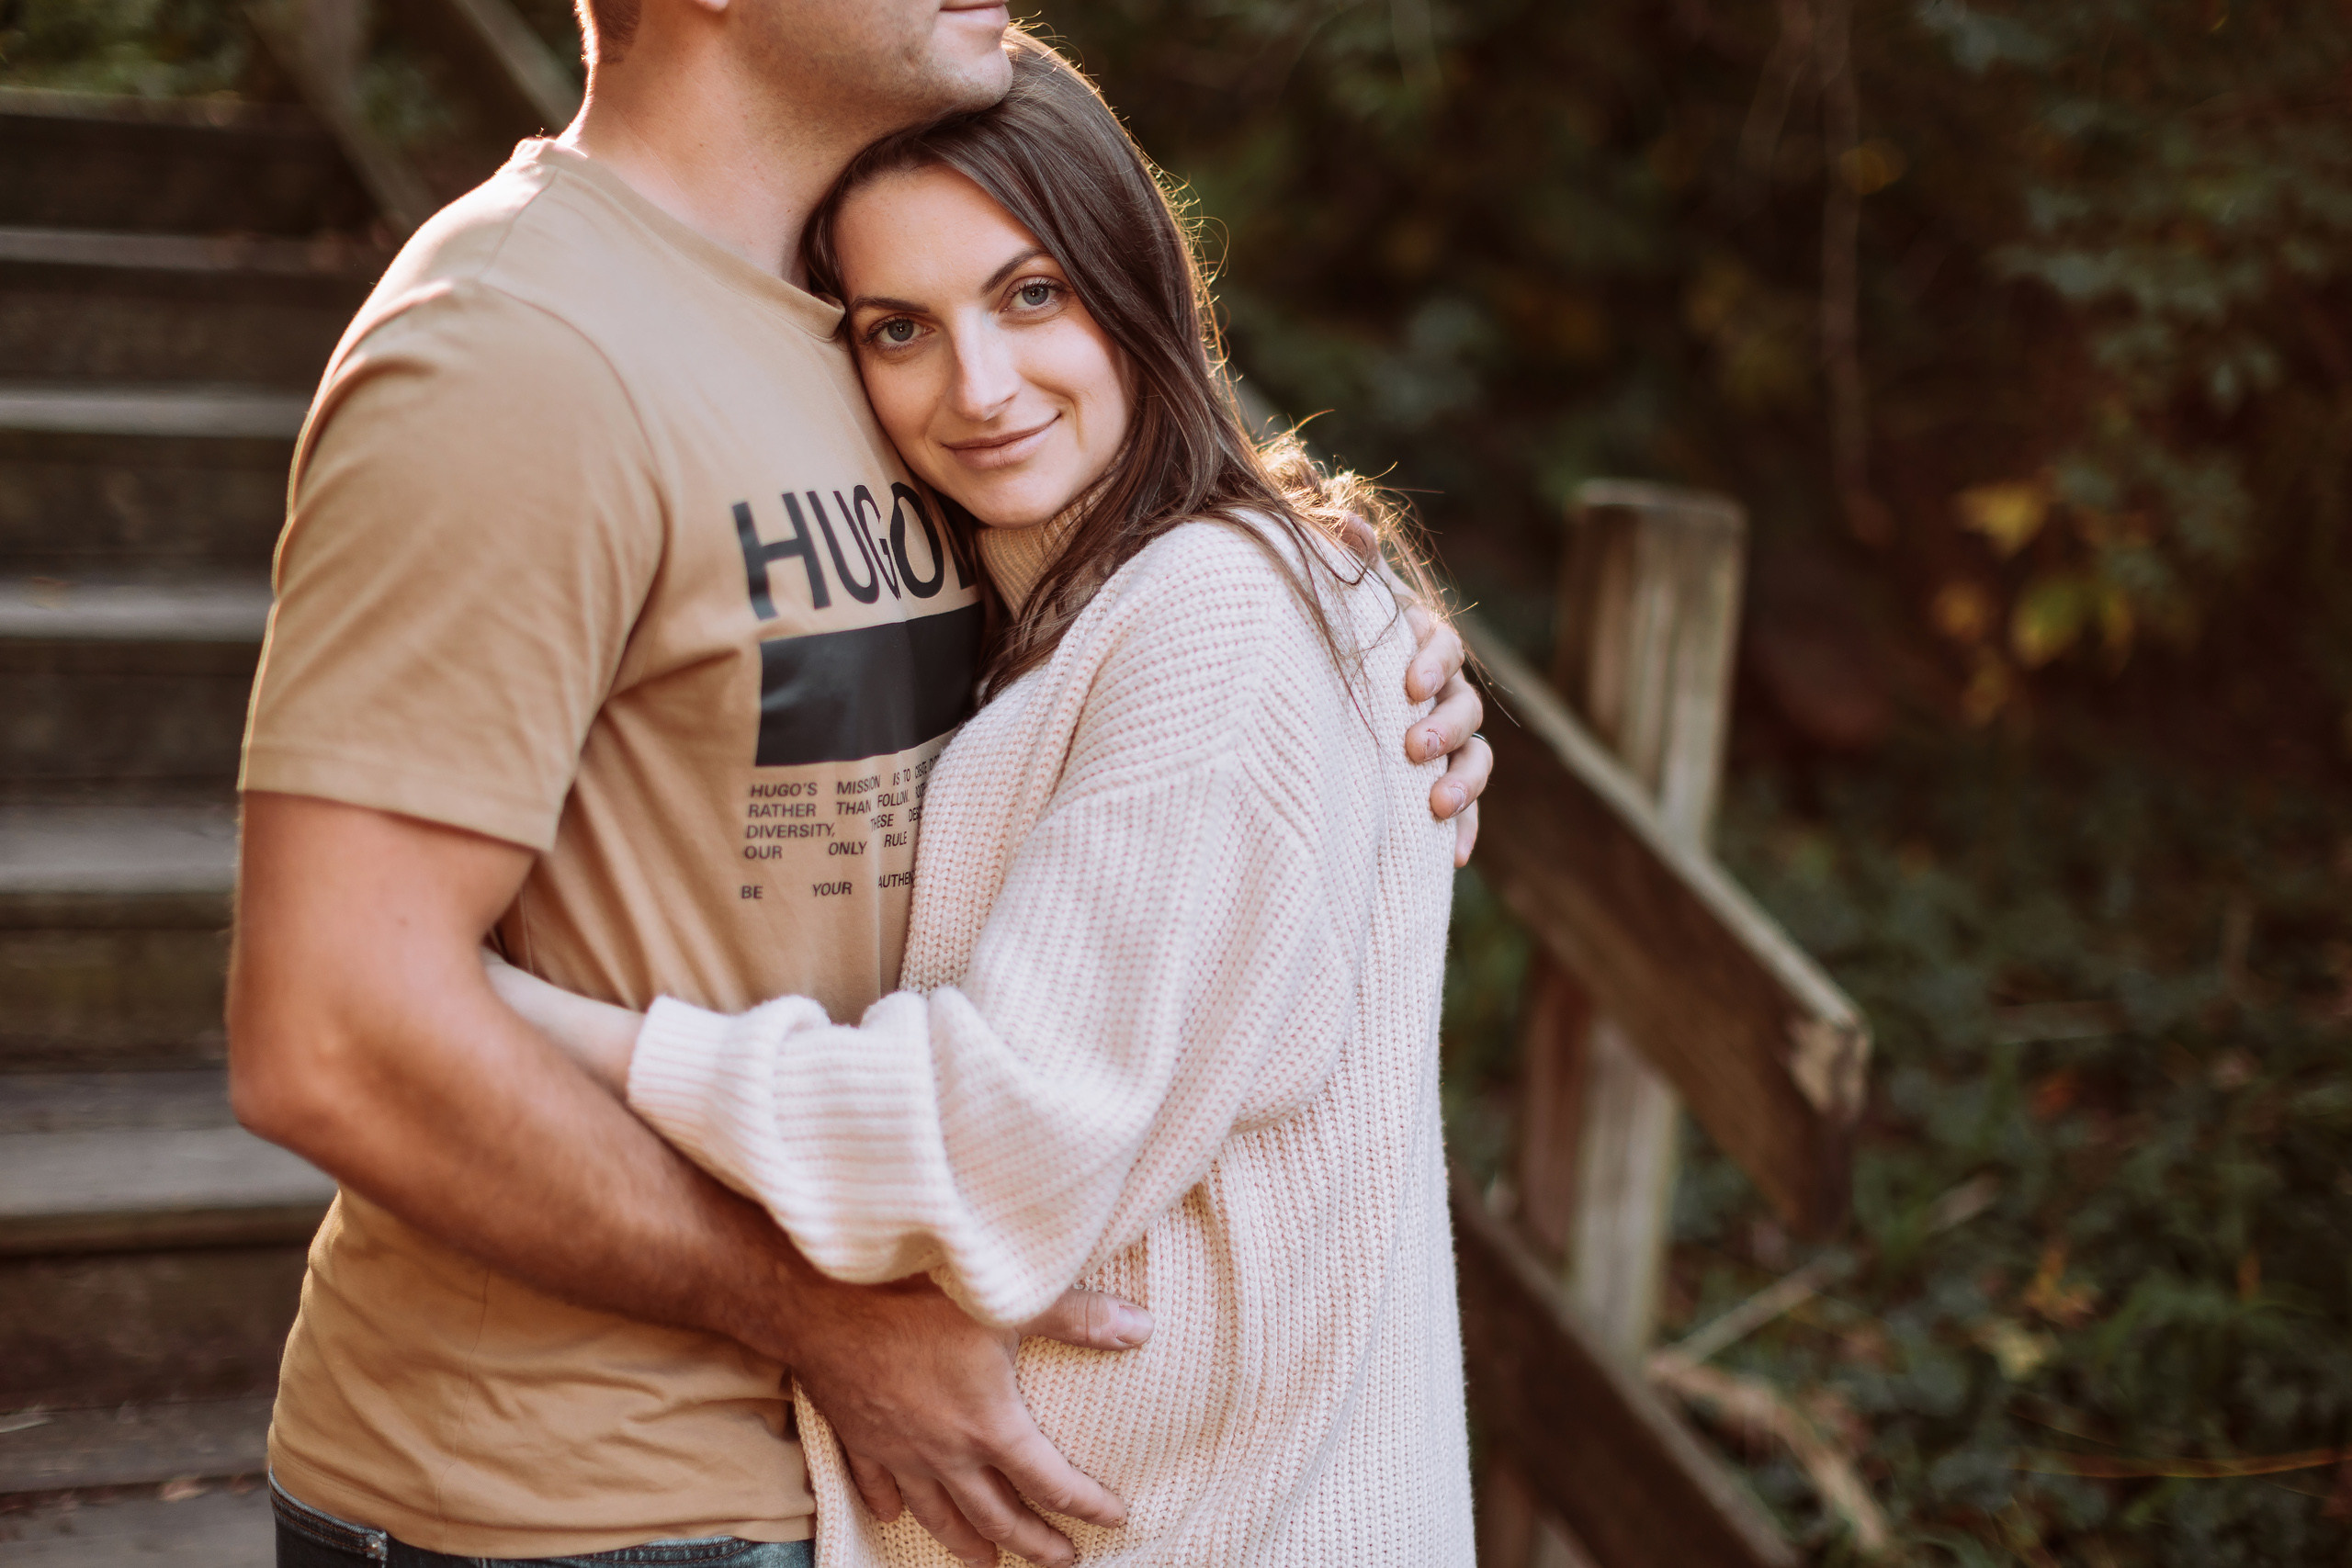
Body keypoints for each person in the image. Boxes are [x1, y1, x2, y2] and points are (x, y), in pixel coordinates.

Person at [226, 4, 1491, 1567]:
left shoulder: (847, 299)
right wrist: (823, 1314)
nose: (973, 375)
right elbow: (328, 1037)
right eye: (913, 328)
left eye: (1026, 297)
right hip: (575, 1499)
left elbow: (1143, 566)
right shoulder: (515, 348)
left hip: (872, 1484)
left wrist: (1351, 638)